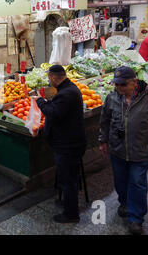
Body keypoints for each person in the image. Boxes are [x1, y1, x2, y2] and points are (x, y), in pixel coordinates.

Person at [99, 66, 148, 235]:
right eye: (116, 85)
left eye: (123, 85)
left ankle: (135, 218)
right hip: (117, 151)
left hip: (141, 151)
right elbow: (104, 121)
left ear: (134, 82)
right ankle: (125, 203)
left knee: (137, 183)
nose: (119, 88)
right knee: (120, 182)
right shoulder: (112, 97)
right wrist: (103, 140)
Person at [34, 65, 86, 224]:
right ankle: (68, 203)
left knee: (68, 178)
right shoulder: (69, 89)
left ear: (55, 77)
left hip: (68, 145)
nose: (49, 81)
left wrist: (40, 101)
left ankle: (71, 214)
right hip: (69, 142)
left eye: (49, 78)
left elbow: (52, 113)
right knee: (68, 176)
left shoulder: (66, 94)